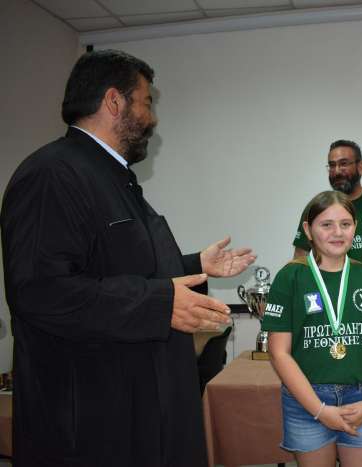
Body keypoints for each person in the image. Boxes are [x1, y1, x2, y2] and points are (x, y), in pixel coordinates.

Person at [1, 50, 256, 467]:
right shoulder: (52, 174)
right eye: (146, 102)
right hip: (92, 428)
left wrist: (194, 266)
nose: (152, 119)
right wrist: (159, 303)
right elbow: (41, 291)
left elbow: (119, 268)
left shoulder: (112, 177)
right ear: (114, 101)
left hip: (137, 413)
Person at [263, 191, 362, 467]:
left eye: (345, 224)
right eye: (326, 224)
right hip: (307, 401)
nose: (337, 232)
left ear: (355, 227)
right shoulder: (290, 276)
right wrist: (319, 410)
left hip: (361, 399)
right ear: (308, 230)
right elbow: (278, 352)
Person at [293, 140, 362, 282]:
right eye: (332, 165)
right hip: (331, 293)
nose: (336, 171)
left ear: (360, 167)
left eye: (343, 164)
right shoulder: (317, 207)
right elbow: (300, 260)